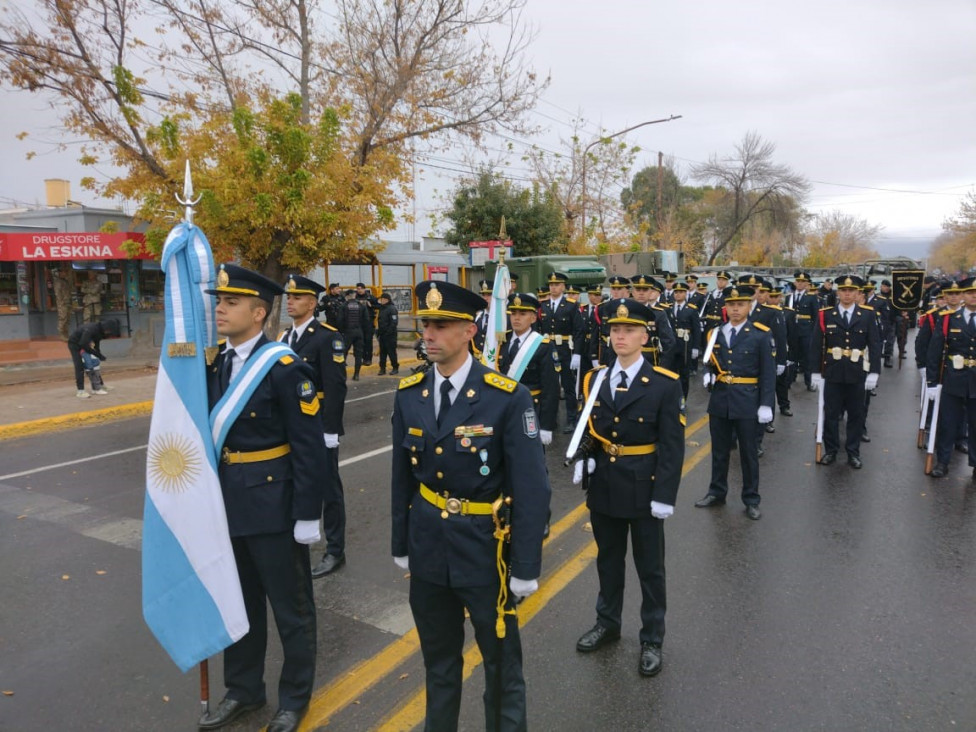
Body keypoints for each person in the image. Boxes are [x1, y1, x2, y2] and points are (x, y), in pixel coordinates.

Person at [390, 280, 550, 732]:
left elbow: (532, 487)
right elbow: (402, 476)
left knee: (501, 666)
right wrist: (401, 540)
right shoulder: (410, 392)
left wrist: (525, 564)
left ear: (469, 331)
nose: (430, 335)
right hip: (428, 546)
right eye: (426, 325)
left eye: (442, 325)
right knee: (439, 663)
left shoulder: (505, 397)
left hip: (486, 551)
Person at [200, 264, 330, 732]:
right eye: (218, 300)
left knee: (290, 610)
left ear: (258, 313)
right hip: (226, 508)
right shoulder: (214, 363)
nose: (219, 307)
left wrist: (305, 515)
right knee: (239, 606)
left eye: (230, 302)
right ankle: (243, 689)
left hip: (274, 509)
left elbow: (308, 448)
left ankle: (293, 698)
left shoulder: (284, 368)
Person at [571, 298, 684, 677]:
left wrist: (665, 496)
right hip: (605, 485)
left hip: (645, 485)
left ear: (644, 335)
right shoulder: (595, 379)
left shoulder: (664, 385)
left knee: (650, 569)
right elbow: (590, 427)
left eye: (629, 330)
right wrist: (587, 456)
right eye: (615, 330)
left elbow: (672, 446)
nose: (621, 336)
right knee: (608, 561)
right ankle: (608, 623)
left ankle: (652, 637)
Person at [279, 275, 350, 579]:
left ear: (312, 303)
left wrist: (330, 430)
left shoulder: (326, 337)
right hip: (290, 426)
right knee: (293, 483)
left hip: (318, 424)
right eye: (288, 297)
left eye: (296, 298)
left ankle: (335, 550)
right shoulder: (284, 338)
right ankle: (297, 542)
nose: (290, 301)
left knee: (328, 489)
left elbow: (335, 387)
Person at [694, 284, 775, 519]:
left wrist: (766, 404)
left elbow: (767, 373)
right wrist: (708, 373)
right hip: (720, 400)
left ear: (749, 306)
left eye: (740, 305)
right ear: (725, 307)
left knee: (748, 454)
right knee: (719, 451)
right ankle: (716, 492)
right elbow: (710, 362)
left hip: (748, 401)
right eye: (731, 305)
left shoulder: (760, 334)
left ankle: (751, 498)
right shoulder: (715, 333)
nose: (736, 309)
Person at [808, 275, 882, 470]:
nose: (847, 294)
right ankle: (831, 450)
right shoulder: (826, 314)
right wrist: (815, 371)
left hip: (857, 372)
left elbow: (874, 344)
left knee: (856, 414)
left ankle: (853, 452)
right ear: (837, 292)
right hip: (832, 371)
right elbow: (816, 345)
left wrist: (875, 371)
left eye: (851, 291)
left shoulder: (867, 315)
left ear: (858, 293)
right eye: (843, 290)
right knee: (831, 413)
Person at [925, 276, 976, 480]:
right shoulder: (947, 319)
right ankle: (943, 462)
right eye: (970, 293)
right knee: (948, 423)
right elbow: (935, 352)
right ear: (963, 295)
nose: (974, 296)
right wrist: (931, 382)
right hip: (953, 378)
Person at [537, 272, 586, 433]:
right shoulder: (542, 305)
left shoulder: (571, 305)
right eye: (551, 285)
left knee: (568, 386)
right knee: (549, 386)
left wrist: (577, 353)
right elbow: (538, 329)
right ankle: (551, 419)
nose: (553, 287)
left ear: (563, 287)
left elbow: (579, 330)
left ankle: (571, 419)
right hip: (547, 350)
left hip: (565, 349)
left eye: (557, 284)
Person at [666, 281, 701, 408]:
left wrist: (696, 347)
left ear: (685, 293)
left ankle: (682, 400)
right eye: (676, 292)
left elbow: (697, 330)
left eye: (681, 292)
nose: (678, 294)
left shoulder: (691, 310)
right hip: (671, 345)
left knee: (684, 375)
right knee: (670, 373)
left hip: (685, 345)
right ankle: (671, 399)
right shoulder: (668, 308)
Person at [67, 319, 120, 398]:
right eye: (109, 332)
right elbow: (83, 344)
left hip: (85, 344)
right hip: (75, 344)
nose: (109, 334)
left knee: (95, 366)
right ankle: (80, 391)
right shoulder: (91, 329)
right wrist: (98, 354)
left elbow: (96, 343)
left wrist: (98, 355)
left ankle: (99, 385)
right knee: (79, 366)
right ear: (107, 328)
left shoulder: (100, 331)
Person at [339, 289, 367, 380]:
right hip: (359, 332)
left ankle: (342, 375)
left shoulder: (344, 306)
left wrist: (342, 331)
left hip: (348, 332)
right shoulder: (361, 306)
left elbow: (340, 320)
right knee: (358, 354)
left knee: (343, 353)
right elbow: (366, 320)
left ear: (347, 296)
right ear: (354, 295)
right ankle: (356, 375)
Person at [375, 291, 401, 375]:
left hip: (390, 335)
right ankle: (382, 368)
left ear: (386, 300)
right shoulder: (382, 308)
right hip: (382, 335)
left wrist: (388, 332)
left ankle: (395, 367)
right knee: (383, 353)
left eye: (382, 299)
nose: (381, 301)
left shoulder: (392, 309)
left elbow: (394, 322)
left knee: (391, 352)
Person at [355, 283, 378, 366]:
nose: (359, 290)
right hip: (358, 322)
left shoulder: (370, 297)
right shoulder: (355, 298)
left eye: (360, 288)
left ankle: (368, 359)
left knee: (368, 341)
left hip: (368, 322)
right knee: (360, 342)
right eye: (358, 289)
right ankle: (362, 358)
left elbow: (379, 305)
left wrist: (371, 305)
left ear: (364, 289)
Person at [51, 263, 74, 340]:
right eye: (64, 272)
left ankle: (66, 333)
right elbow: (58, 294)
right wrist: (61, 302)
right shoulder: (58, 282)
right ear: (60, 273)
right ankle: (61, 334)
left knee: (68, 319)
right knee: (63, 318)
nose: (65, 273)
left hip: (68, 302)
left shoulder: (65, 281)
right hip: (62, 304)